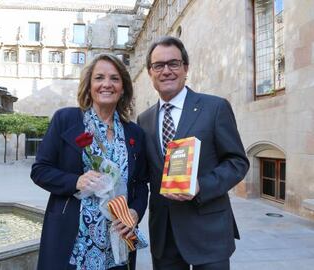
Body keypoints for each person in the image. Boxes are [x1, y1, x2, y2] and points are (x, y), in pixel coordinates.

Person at [137, 36, 250, 270]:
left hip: (208, 231)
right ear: (150, 72)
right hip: (164, 235)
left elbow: (237, 162)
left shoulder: (215, 107)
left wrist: (201, 185)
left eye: (174, 63)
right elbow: (144, 174)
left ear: (185, 68)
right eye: (158, 65)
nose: (166, 70)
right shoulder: (144, 119)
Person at [31, 53, 149, 270]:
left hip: (117, 238)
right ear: (89, 86)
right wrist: (76, 181)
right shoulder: (66, 120)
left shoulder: (135, 133)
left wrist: (135, 213)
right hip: (73, 238)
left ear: (123, 88)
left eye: (114, 79)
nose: (107, 84)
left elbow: (141, 184)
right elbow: (40, 170)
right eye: (99, 78)